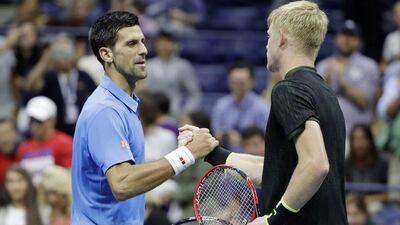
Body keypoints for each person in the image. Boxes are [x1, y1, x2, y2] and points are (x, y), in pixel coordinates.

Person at [181, 1, 347, 225]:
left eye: (269, 36)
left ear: (281, 38)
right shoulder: (325, 92)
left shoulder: (288, 89)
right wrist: (211, 151)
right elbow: (274, 170)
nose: (266, 45)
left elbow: (316, 165)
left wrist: (273, 219)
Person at [71, 11, 218, 225]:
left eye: (142, 41)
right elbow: (123, 184)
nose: (144, 50)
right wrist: (186, 155)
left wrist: (180, 151)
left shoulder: (123, 104)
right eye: (131, 44)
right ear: (106, 54)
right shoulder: (105, 110)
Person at [316, 19, 380, 134]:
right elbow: (315, 102)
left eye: (351, 36)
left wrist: (342, 80)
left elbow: (364, 102)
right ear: (336, 39)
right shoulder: (323, 66)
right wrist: (326, 80)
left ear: (359, 41)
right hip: (327, 132)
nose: (346, 39)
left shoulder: (369, 66)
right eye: (343, 35)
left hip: (357, 135)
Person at [211, 60, 270, 152]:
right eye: (234, 82)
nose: (238, 86)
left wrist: (242, 140)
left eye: (242, 83)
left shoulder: (262, 107)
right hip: (226, 156)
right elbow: (215, 134)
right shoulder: (221, 105)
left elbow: (267, 139)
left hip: (252, 157)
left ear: (252, 81)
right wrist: (225, 135)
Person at [16, 96, 73, 186]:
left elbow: (70, 177)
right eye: (31, 120)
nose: (34, 125)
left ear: (52, 120)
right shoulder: (23, 148)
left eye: (39, 120)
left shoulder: (65, 144)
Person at [145, 30, 202, 117]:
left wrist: (185, 114)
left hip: (175, 115)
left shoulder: (183, 66)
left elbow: (194, 94)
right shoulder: (147, 65)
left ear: (175, 44)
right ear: (156, 44)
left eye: (168, 41)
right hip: (152, 114)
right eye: (162, 42)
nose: (165, 45)